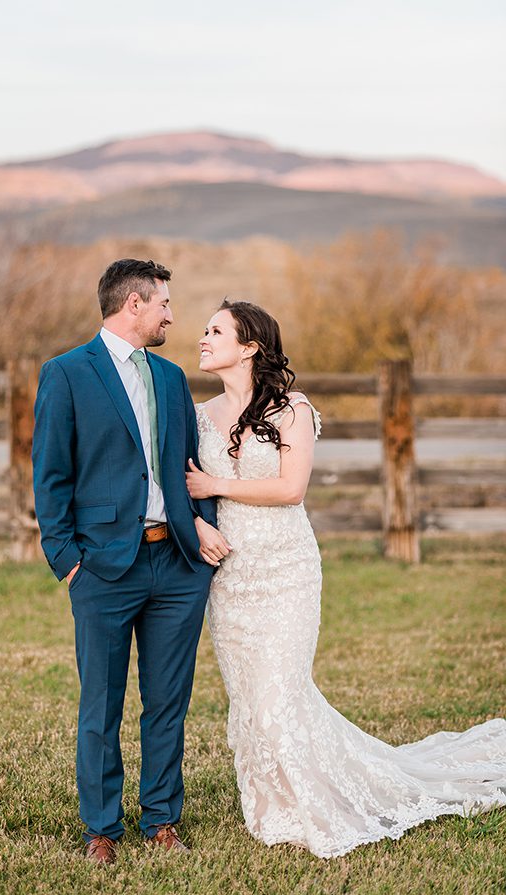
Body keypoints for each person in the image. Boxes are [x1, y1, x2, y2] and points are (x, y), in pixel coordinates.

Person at [187, 299, 506, 858]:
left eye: (216, 330)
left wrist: (214, 487)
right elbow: (179, 484)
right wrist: (196, 520)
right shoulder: (198, 415)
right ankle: (272, 800)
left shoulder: (294, 410)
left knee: (280, 692)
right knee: (249, 697)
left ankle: (317, 801)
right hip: (230, 576)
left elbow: (290, 489)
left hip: (285, 568)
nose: (202, 337)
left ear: (250, 346)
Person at [31, 258, 230, 864]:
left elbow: (189, 472)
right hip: (100, 571)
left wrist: (202, 536)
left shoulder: (171, 379)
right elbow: (50, 477)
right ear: (134, 305)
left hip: (175, 566)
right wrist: (68, 562)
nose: (173, 314)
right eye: (165, 304)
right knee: (101, 706)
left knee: (169, 701)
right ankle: (101, 829)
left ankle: (163, 819)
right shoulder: (66, 374)